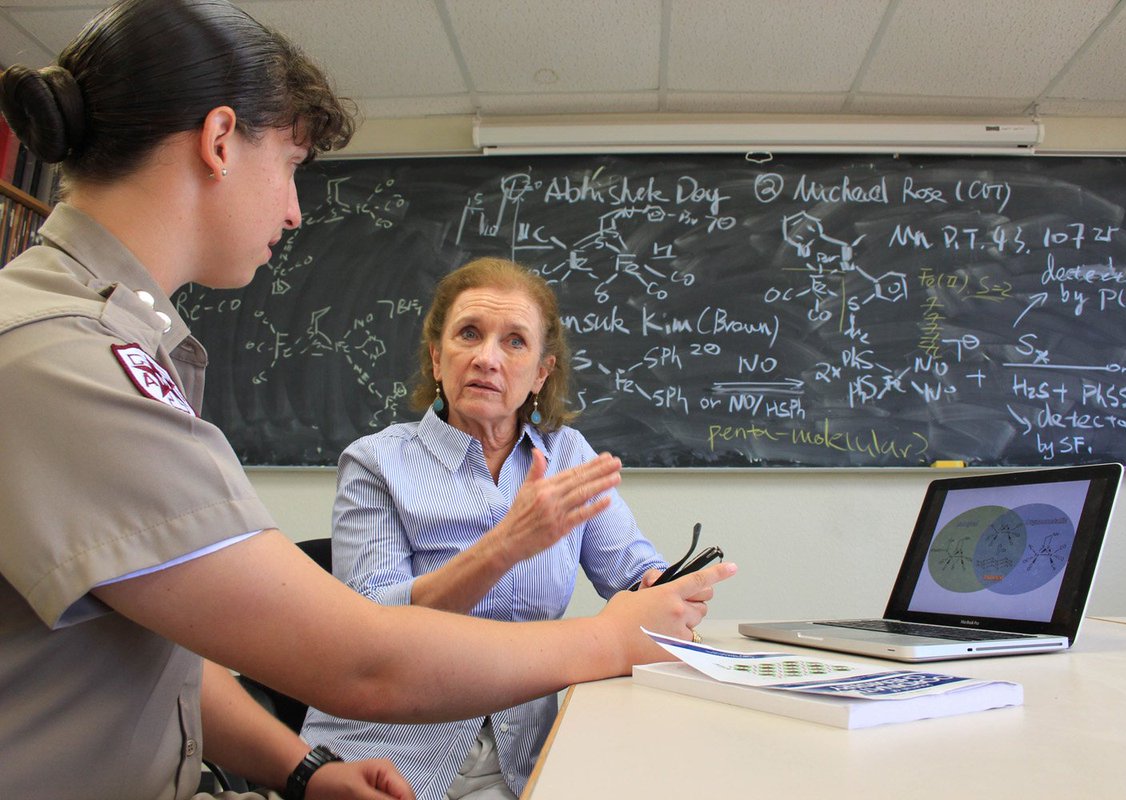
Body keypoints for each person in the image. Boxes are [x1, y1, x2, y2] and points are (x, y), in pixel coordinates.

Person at [0, 2, 736, 799]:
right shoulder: (66, 358)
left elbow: (160, 652)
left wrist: (302, 770)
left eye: (515, 343)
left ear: (543, 371)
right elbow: (364, 662)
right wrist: (603, 641)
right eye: (288, 165)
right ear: (219, 142)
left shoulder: (105, 342)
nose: (293, 208)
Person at [302, 257, 683, 800]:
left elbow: (631, 569)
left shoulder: (566, 456)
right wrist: (507, 545)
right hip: (390, 755)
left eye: (514, 342)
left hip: (523, 762)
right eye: (469, 334)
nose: (487, 358)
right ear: (437, 359)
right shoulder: (375, 463)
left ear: (541, 373)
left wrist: (663, 586)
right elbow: (372, 636)